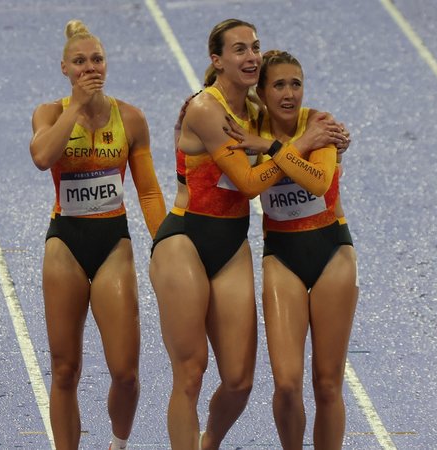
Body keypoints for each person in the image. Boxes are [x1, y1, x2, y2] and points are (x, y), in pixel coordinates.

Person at [148, 19, 346, 449]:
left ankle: (208, 442)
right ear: (216, 60)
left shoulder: (256, 113)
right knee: (191, 370)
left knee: (239, 381)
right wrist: (298, 144)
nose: (251, 56)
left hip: (232, 242)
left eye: (255, 47)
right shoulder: (205, 108)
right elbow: (250, 184)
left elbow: (295, 127)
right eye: (239, 49)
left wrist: (328, 134)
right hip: (185, 237)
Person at [29, 19, 166, 450]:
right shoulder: (50, 113)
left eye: (97, 60)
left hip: (113, 242)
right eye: (80, 62)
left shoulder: (131, 118)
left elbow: (147, 190)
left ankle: (118, 444)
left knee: (125, 372)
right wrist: (76, 107)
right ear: (65, 68)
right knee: (65, 368)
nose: (91, 68)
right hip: (65, 242)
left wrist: (166, 244)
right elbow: (41, 157)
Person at [224, 50, 359, 449]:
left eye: (295, 84)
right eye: (278, 85)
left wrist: (268, 146)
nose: (288, 93)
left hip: (332, 251)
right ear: (261, 92)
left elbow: (317, 182)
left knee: (328, 384)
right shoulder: (246, 127)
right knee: (286, 382)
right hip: (282, 254)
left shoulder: (320, 124)